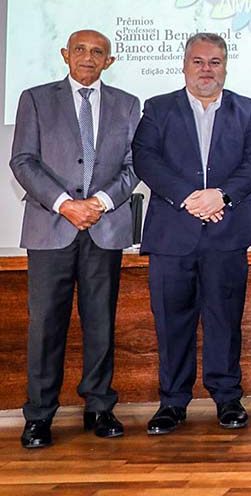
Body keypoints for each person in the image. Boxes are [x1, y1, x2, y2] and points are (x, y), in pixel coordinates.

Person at [132, 32, 251, 435]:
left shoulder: (246, 109)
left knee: (225, 320)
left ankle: (228, 399)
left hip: (227, 234)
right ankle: (172, 403)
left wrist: (221, 196)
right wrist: (188, 198)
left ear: (225, 66)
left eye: (214, 62)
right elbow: (145, 158)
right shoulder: (159, 108)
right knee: (172, 323)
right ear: (185, 64)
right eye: (198, 61)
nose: (206, 69)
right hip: (173, 234)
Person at [10, 29, 140, 448]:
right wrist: (66, 203)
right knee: (46, 326)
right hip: (51, 228)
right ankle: (39, 416)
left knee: (101, 322)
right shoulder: (35, 98)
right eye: (80, 50)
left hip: (105, 227)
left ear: (109, 61)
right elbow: (23, 161)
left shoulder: (127, 104)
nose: (88, 57)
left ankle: (100, 407)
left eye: (97, 52)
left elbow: (135, 165)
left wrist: (99, 202)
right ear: (65, 55)